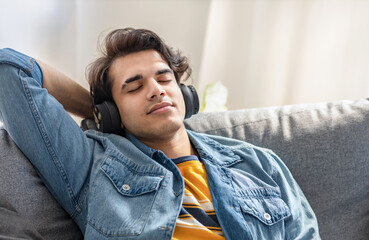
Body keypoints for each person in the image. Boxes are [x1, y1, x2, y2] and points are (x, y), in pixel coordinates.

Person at [0, 28, 320, 239]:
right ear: (113, 111)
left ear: (185, 92)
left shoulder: (260, 163)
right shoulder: (93, 166)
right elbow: (8, 69)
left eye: (165, 79)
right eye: (134, 87)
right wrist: (97, 112)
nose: (155, 91)